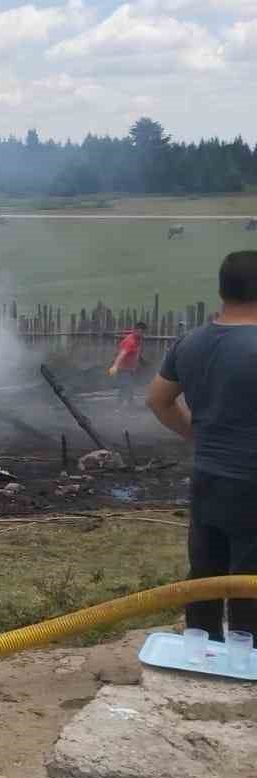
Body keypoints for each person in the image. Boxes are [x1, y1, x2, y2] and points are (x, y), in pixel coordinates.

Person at [146, 251, 257, 641]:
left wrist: (197, 433)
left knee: (206, 570)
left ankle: (202, 649)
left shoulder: (190, 342)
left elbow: (158, 399)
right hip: (252, 482)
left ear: (222, 290)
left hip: (208, 476)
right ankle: (248, 659)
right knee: (250, 580)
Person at [108, 321, 148, 403]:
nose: (143, 334)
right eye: (141, 332)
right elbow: (121, 354)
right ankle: (121, 406)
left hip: (130, 369)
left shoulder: (138, 339)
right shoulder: (130, 341)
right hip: (123, 369)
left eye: (144, 332)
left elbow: (136, 352)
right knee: (126, 386)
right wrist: (115, 366)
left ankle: (128, 404)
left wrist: (141, 362)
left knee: (129, 387)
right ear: (136, 331)